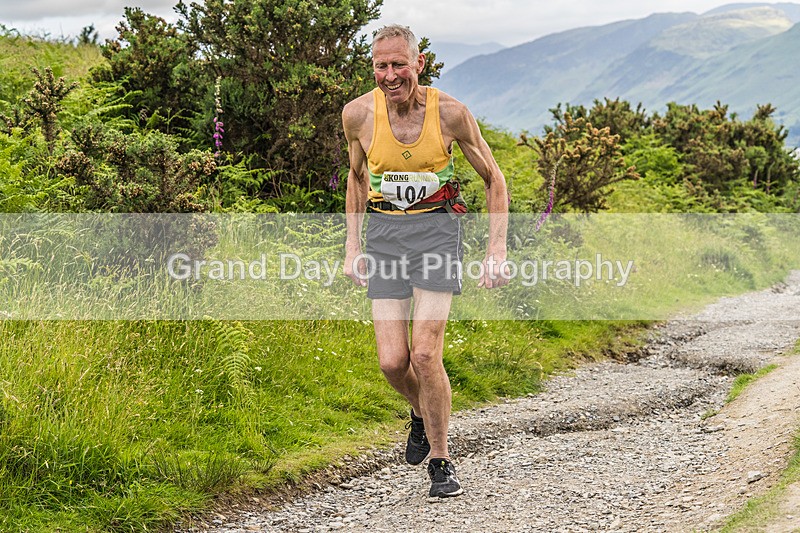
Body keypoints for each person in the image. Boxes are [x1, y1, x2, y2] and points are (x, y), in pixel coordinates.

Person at [342, 24, 509, 498]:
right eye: (381, 65)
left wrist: (496, 248)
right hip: (385, 235)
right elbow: (356, 178)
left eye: (399, 64)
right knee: (393, 362)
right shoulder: (357, 115)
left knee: (424, 353)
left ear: (418, 63)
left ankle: (441, 459)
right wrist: (353, 246)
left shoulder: (451, 113)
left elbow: (494, 179)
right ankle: (420, 411)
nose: (390, 75)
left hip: (437, 231)